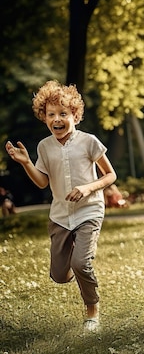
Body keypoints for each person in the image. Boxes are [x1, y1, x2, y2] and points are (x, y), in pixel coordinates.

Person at [5, 80, 117, 333]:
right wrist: (26, 163)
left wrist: (88, 187)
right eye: (51, 114)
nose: (57, 119)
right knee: (58, 274)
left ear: (75, 115)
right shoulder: (44, 147)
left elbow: (110, 176)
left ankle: (92, 312)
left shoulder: (89, 142)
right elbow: (43, 182)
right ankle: (75, 259)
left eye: (63, 114)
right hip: (60, 216)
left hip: (89, 210)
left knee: (81, 264)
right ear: (44, 118)